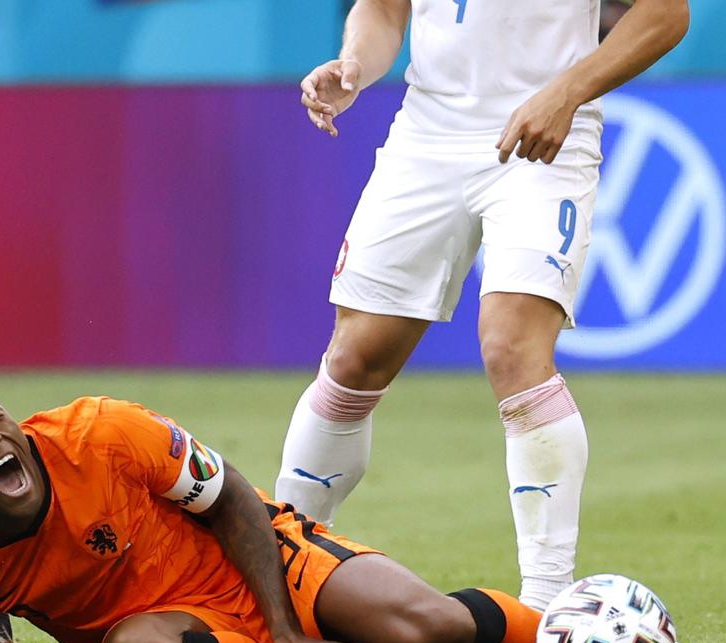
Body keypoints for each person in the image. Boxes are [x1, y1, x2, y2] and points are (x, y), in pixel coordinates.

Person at [276, 0, 690, 608]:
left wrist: (568, 91)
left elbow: (666, 14)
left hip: (546, 132)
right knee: (353, 361)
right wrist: (355, 64)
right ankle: (278, 575)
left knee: (512, 351)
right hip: (425, 136)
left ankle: (546, 608)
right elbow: (385, 9)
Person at [0, 375, 569, 643]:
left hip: (260, 560)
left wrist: (284, 628)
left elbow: (233, 498)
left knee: (432, 624)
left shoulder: (103, 433)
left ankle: (567, 640)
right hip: (173, 631)